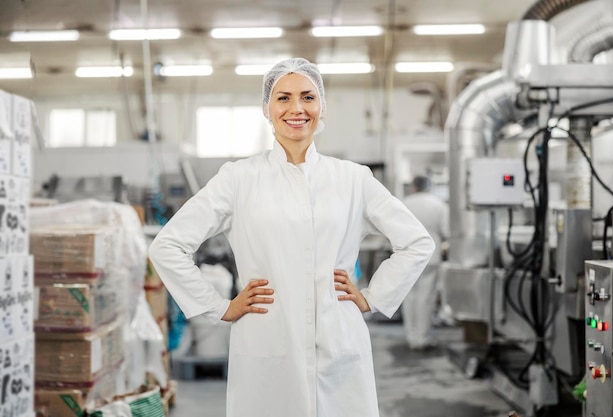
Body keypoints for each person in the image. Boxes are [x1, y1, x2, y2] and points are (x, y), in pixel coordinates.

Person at [148, 57, 435, 417]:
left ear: (322, 107)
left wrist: (374, 297)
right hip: (267, 341)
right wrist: (219, 307)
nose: (296, 108)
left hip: (339, 340)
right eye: (283, 98)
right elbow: (168, 245)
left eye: (307, 97)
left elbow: (416, 242)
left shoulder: (352, 179)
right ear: (266, 109)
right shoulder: (238, 179)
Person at [401, 175, 450, 351]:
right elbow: (446, 231)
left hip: (406, 255)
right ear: (429, 187)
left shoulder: (403, 202)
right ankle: (422, 338)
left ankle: (411, 336)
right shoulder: (438, 204)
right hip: (430, 255)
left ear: (414, 187)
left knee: (408, 297)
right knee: (426, 298)